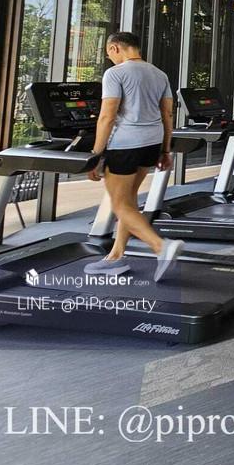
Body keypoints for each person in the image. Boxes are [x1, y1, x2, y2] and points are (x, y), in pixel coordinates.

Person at [82, 31, 184, 281]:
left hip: (125, 145)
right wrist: (165, 150)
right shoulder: (159, 74)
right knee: (128, 201)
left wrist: (95, 155)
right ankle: (116, 256)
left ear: (115, 48)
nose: (110, 59)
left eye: (109, 54)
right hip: (152, 143)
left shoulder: (114, 73)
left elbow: (107, 116)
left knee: (120, 204)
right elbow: (168, 114)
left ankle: (161, 246)